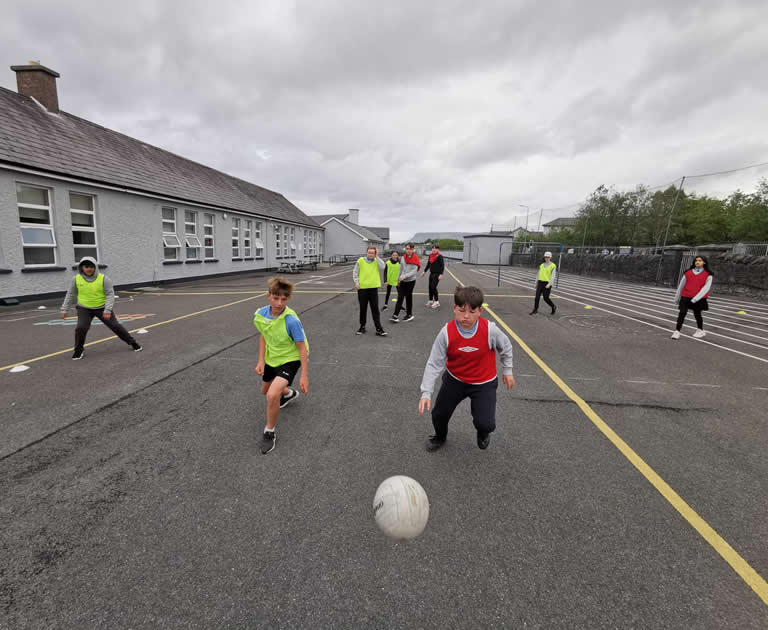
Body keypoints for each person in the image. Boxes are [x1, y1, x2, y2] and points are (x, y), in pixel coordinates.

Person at [418, 286, 515, 451]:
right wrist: (426, 392)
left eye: (472, 311)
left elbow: (506, 348)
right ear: (454, 308)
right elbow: (434, 363)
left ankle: (483, 432)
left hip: (484, 382)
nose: (466, 316)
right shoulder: (446, 332)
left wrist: (508, 370)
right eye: (462, 310)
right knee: (439, 415)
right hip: (455, 379)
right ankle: (440, 437)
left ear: (480, 311)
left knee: (486, 423)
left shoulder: (490, 330)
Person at [253, 277, 309, 454]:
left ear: (288, 299)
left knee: (271, 395)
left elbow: (301, 348)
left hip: (291, 358)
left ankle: (269, 432)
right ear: (268, 296)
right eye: (276, 298)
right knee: (265, 391)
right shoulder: (261, 315)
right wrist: (261, 360)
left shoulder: (291, 320)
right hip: (272, 358)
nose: (279, 303)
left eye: (284, 299)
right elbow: (264, 336)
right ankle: (289, 393)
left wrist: (304, 375)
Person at [60, 256, 142, 360]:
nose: (89, 269)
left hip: (102, 308)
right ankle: (78, 350)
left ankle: (133, 342)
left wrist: (107, 309)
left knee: (115, 326)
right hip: (84, 308)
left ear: (95, 267)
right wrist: (64, 309)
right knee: (81, 328)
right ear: (82, 268)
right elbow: (70, 294)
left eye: (91, 266)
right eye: (86, 267)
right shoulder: (76, 279)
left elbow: (110, 294)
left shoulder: (104, 278)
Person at [672, 255, 714, 340]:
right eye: (696, 260)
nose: (697, 262)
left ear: (704, 262)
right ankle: (677, 331)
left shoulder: (708, 274)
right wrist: (677, 298)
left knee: (697, 314)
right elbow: (681, 286)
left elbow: (706, 288)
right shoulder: (688, 272)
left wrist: (695, 298)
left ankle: (700, 330)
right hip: (685, 296)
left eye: (700, 260)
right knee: (682, 313)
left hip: (698, 298)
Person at [353, 246, 388, 336]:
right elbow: (355, 272)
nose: (371, 254)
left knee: (375, 309)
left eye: (373, 253)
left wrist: (377, 256)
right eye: (369, 252)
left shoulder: (377, 261)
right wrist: (357, 283)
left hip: (373, 289)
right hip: (362, 289)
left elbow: (383, 267)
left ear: (375, 253)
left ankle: (379, 329)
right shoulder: (360, 260)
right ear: (367, 253)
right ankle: (362, 327)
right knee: (363, 309)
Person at [391, 243, 420, 323]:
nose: (408, 250)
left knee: (408, 297)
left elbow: (414, 271)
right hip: (403, 281)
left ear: (412, 249)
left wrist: (405, 276)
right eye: (406, 248)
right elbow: (401, 268)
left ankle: (409, 314)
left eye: (409, 249)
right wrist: (398, 278)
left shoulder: (415, 258)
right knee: (400, 297)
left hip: (411, 281)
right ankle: (395, 315)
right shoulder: (403, 258)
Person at [421, 244, 444, 308]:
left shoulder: (440, 256)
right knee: (430, 288)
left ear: (438, 249)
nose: (434, 249)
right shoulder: (430, 256)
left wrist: (441, 274)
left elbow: (442, 266)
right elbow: (428, 264)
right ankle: (430, 300)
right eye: (433, 248)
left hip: (437, 274)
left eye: (435, 248)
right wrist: (424, 271)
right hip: (431, 274)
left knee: (433, 287)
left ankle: (437, 302)